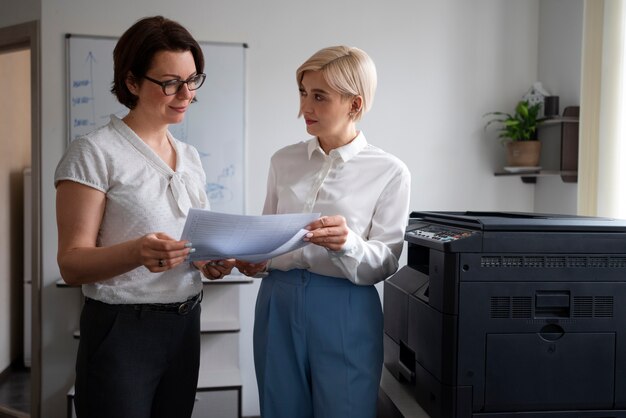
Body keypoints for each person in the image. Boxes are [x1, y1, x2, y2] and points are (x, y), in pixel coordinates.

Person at [54, 16, 235, 418]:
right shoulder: (93, 152)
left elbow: (189, 242)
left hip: (186, 322)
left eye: (192, 80)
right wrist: (137, 252)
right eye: (170, 82)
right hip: (122, 329)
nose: (186, 93)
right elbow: (71, 264)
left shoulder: (189, 157)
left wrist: (206, 259)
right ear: (132, 82)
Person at [237, 46, 411, 417]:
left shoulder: (390, 171)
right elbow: (267, 236)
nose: (305, 107)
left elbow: (387, 260)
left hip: (346, 305)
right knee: (279, 408)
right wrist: (255, 261)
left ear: (355, 104)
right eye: (302, 92)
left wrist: (348, 244)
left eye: (319, 96)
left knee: (345, 410)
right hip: (277, 301)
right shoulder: (283, 160)